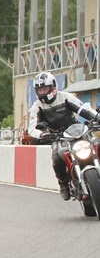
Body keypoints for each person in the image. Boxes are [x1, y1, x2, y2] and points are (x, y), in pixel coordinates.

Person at [28, 71, 100, 200]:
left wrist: (97, 117)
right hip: (58, 137)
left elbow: (83, 109)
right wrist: (43, 134)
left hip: (78, 131)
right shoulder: (37, 106)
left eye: (45, 89)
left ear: (53, 87)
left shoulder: (65, 97)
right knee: (56, 157)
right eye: (39, 90)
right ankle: (63, 184)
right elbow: (32, 128)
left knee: (97, 143)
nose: (42, 92)